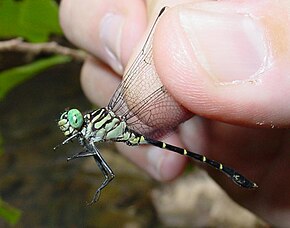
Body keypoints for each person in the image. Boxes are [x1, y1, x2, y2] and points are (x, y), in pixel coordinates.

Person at [59, 0, 290, 226]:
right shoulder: (92, 130)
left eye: (73, 121)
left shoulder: (98, 123)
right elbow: (92, 149)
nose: (74, 127)